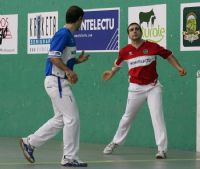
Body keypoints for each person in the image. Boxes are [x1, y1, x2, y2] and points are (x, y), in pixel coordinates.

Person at [102, 22, 186, 159]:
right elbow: (117, 65)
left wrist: (179, 67)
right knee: (127, 117)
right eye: (131, 30)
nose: (134, 31)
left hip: (153, 87)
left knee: (157, 116)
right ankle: (115, 142)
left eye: (136, 29)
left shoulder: (152, 46)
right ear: (128, 34)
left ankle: (162, 149)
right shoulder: (124, 51)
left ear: (141, 32)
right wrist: (111, 73)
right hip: (135, 89)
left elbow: (168, 55)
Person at [19, 6, 89, 167]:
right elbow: (52, 57)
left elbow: (62, 57)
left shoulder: (69, 36)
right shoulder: (63, 34)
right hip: (57, 81)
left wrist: (77, 61)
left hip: (58, 81)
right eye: (82, 20)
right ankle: (69, 157)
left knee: (60, 119)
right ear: (79, 19)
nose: (82, 23)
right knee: (72, 118)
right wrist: (69, 71)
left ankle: (29, 143)